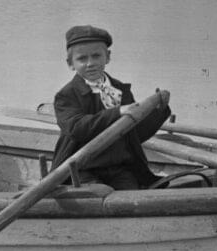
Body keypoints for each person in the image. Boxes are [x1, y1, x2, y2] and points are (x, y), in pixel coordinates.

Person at [52, 25, 172, 190]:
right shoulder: (66, 95)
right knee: (96, 195)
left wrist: (158, 111)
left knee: (131, 198)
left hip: (119, 167)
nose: (90, 64)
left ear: (107, 57)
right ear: (70, 63)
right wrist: (118, 112)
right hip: (80, 168)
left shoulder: (121, 90)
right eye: (82, 59)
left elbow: (135, 135)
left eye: (96, 56)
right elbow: (77, 128)